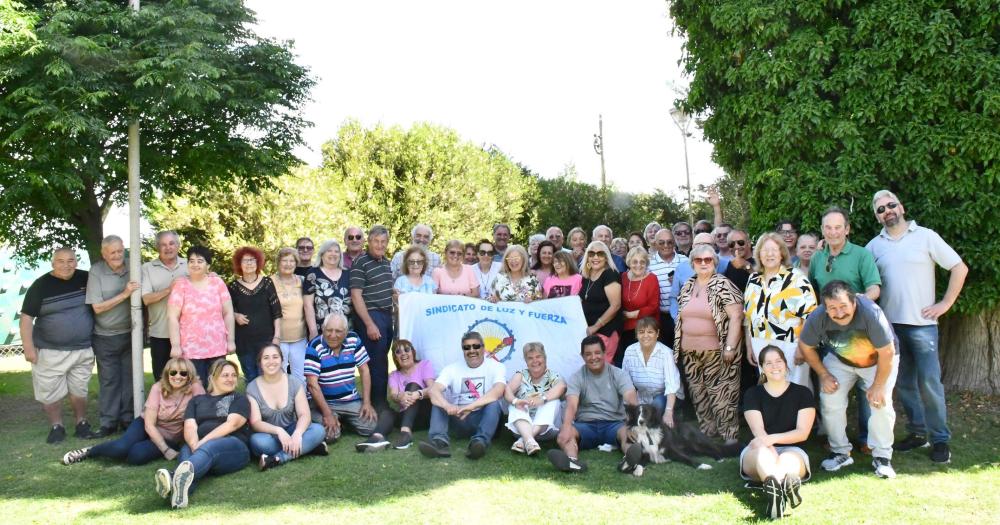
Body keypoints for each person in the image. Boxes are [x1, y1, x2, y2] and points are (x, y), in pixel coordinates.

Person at [866, 189, 967, 463]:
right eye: (881, 209)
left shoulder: (926, 236)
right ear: (877, 217)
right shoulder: (874, 246)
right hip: (891, 329)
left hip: (923, 325)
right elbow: (858, 271)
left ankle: (940, 440)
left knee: (930, 383)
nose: (888, 211)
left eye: (891, 205)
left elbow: (959, 267)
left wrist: (945, 303)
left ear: (902, 207)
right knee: (904, 384)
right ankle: (917, 432)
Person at [797, 281, 900, 479]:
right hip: (841, 359)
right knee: (830, 400)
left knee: (880, 403)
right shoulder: (817, 317)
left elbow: (887, 351)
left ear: (854, 302)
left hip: (879, 361)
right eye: (832, 308)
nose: (839, 313)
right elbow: (806, 346)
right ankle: (840, 452)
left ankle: (882, 457)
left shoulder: (871, 313)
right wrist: (824, 375)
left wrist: (878, 386)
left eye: (843, 306)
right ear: (825, 308)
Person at [809, 206, 881, 450]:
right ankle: (836, 441)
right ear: (822, 231)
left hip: (862, 333)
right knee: (832, 389)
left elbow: (875, 288)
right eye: (828, 227)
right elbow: (813, 292)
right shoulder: (818, 257)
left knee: (865, 389)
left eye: (838, 227)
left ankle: (866, 439)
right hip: (829, 335)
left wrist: (859, 302)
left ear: (847, 229)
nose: (833, 232)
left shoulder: (861, 255)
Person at [20, 247, 100, 443]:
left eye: (70, 260)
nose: (66, 265)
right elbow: (26, 318)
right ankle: (57, 427)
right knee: (49, 392)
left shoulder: (86, 278)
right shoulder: (41, 285)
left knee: (79, 390)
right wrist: (28, 348)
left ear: (76, 262)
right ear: (53, 263)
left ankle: (82, 423)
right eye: (61, 261)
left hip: (82, 349)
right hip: (49, 351)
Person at [62, 358, 205, 466]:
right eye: (173, 372)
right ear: (167, 374)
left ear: (189, 376)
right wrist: (166, 451)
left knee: (136, 456)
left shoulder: (195, 389)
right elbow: (149, 424)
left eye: (183, 373)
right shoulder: (158, 388)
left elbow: (205, 413)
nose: (177, 376)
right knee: (121, 447)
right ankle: (90, 451)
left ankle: (134, 447)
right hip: (146, 425)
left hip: (171, 437)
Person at [153, 360, 251, 509]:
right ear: (212, 378)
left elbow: (232, 424)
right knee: (186, 452)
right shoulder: (197, 401)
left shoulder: (239, 399)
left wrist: (202, 442)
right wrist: (194, 444)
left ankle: (173, 477)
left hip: (233, 447)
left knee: (210, 446)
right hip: (200, 447)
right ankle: (179, 495)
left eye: (233, 375)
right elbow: (190, 425)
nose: (230, 379)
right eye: (225, 375)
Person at [675, 243, 744, 445]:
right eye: (699, 260)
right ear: (692, 263)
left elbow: (736, 317)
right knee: (699, 393)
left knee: (722, 393)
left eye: (708, 260)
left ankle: (729, 436)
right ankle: (708, 430)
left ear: (714, 262)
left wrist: (730, 347)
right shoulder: (688, 285)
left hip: (718, 351)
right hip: (690, 351)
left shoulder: (724, 284)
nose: (703, 263)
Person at [741, 345, 816, 519]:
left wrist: (772, 439)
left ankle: (777, 495)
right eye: (768, 363)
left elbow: (802, 433)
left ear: (785, 364)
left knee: (788, 461)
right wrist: (771, 449)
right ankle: (782, 489)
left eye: (778, 361)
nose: (774, 366)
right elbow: (758, 431)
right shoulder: (753, 394)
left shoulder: (802, 393)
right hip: (759, 448)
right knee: (763, 456)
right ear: (762, 368)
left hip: (793, 449)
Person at [548, 336, 637, 473]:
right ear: (582, 356)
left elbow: (630, 397)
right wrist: (565, 426)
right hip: (585, 425)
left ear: (604, 353)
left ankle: (630, 461)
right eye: (588, 354)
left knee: (630, 434)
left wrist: (633, 423)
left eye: (597, 353)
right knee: (563, 435)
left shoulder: (618, 374)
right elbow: (572, 404)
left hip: (614, 424)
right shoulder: (577, 377)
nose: (593, 357)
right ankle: (572, 462)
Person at [744, 233, 817, 390]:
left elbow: (810, 316)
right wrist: (749, 345)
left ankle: (802, 415)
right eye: (765, 250)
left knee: (795, 389)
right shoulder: (753, 279)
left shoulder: (796, 278)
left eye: (774, 250)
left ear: (782, 253)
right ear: (758, 254)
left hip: (790, 345)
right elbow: (749, 316)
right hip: (760, 343)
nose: (769, 254)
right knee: (770, 388)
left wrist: (802, 347)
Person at [418, 332, 506, 459]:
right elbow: (433, 391)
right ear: (463, 350)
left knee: (494, 403)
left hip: (484, 418)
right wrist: (447, 405)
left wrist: (471, 406)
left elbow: (499, 391)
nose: (472, 350)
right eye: (467, 347)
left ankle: (479, 443)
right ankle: (439, 443)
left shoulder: (497, 366)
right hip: (460, 418)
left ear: (483, 348)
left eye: (476, 346)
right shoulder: (451, 369)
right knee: (438, 401)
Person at [86, 235, 139, 436]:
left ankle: (127, 419)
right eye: (112, 252)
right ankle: (108, 422)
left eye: (119, 250)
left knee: (130, 378)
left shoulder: (133, 266)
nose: (117, 255)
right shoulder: (97, 271)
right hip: (105, 335)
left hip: (131, 333)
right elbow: (97, 307)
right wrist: (125, 294)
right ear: (104, 254)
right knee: (109, 380)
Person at [248, 344, 327, 470]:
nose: (271, 362)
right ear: (260, 362)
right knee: (257, 442)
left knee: (318, 430)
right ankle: (307, 447)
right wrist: (279, 431)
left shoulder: (294, 382)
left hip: (292, 430)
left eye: (275, 357)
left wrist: (297, 433)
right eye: (266, 358)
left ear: (282, 360)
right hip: (269, 436)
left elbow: (304, 415)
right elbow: (256, 422)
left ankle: (277, 458)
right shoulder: (252, 387)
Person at [168, 246, 236, 385]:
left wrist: (230, 340)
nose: (195, 264)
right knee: (196, 389)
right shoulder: (181, 285)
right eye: (191, 261)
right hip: (191, 349)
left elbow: (228, 313)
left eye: (200, 261)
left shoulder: (217, 283)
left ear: (208, 265)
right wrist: (175, 345)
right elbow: (172, 317)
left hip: (216, 346)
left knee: (219, 385)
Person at [305, 313, 378, 440]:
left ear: (346, 331)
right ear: (323, 328)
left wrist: (367, 402)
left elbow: (364, 370)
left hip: (350, 400)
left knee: (371, 427)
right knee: (330, 436)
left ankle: (341, 420)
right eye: (329, 330)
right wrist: (327, 414)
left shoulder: (354, 339)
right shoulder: (314, 346)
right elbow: (312, 384)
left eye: (338, 331)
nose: (333, 335)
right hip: (324, 403)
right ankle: (334, 418)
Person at [360, 339, 436, 451]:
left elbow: (433, 389)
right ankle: (377, 437)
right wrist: (400, 396)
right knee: (387, 412)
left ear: (413, 352)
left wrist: (417, 394)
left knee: (413, 385)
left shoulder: (424, 365)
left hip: (425, 414)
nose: (403, 353)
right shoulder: (394, 375)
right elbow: (393, 395)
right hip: (406, 416)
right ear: (395, 357)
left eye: (406, 349)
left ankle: (406, 434)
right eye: (398, 352)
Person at [350, 225, 395, 408]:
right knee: (377, 364)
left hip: (386, 316)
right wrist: (369, 324)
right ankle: (378, 406)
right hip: (371, 316)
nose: (380, 245)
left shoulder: (386, 263)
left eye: (383, 242)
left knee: (382, 360)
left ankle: (380, 402)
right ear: (369, 242)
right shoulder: (360, 262)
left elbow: (381, 287)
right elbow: (356, 295)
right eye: (376, 241)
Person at [228, 246, 282, 384]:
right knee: (251, 377)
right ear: (239, 264)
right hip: (244, 342)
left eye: (252, 260)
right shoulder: (233, 287)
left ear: (258, 262)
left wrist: (276, 337)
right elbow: (225, 310)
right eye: (245, 261)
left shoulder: (267, 283)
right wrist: (235, 315)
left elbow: (277, 312)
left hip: (266, 340)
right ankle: (253, 405)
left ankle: (271, 405)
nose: (249, 263)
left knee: (268, 376)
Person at [141, 230, 188, 382]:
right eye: (163, 245)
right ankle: (162, 406)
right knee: (162, 379)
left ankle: (186, 407)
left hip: (188, 334)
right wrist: (170, 289)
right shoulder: (147, 268)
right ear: (157, 247)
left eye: (171, 243)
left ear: (178, 246)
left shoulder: (189, 265)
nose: (168, 248)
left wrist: (211, 276)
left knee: (188, 379)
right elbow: (146, 299)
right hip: (160, 333)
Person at [504, 342, 566, 456]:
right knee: (515, 404)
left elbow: (562, 387)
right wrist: (516, 401)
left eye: (538, 356)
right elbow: (506, 390)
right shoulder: (521, 375)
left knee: (554, 402)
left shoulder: (553, 376)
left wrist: (542, 399)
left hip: (546, 430)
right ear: (526, 361)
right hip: (521, 427)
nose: (535, 361)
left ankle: (524, 440)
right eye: (530, 358)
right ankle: (530, 440)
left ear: (545, 358)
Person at [621, 317, 680, 421]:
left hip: (665, 396)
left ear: (657, 334)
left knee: (653, 410)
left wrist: (668, 412)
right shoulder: (630, 351)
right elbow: (625, 382)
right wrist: (627, 407)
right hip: (641, 395)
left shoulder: (666, 353)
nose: (645, 336)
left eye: (650, 332)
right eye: (641, 332)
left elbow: (671, 386)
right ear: (636, 335)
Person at [272, 248, 314, 382]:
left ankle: (301, 402)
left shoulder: (302, 281)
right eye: (284, 260)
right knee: (279, 374)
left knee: (300, 375)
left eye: (291, 261)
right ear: (278, 262)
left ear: (296, 264)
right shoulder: (269, 282)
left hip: (299, 338)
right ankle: (282, 402)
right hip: (278, 338)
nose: (288, 264)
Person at [579, 241, 622, 364]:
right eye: (592, 254)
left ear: (606, 257)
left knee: (601, 368)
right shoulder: (586, 276)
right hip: (589, 332)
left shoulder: (610, 274)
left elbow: (615, 305)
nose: (595, 257)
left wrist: (596, 326)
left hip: (605, 331)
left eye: (600, 254)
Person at [303, 239, 352, 336]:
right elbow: (308, 305)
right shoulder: (313, 273)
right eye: (329, 251)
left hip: (346, 330)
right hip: (322, 330)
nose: (333, 254)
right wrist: (313, 331)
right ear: (322, 254)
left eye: (336, 251)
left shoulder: (348, 273)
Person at [649, 228, 688, 347]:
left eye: (669, 242)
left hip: (683, 315)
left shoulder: (685, 261)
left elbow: (697, 288)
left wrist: (680, 284)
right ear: (655, 244)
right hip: (660, 317)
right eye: (661, 242)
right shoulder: (648, 264)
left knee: (682, 352)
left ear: (674, 242)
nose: (666, 245)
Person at [620, 247, 660, 360]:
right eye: (635, 262)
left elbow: (653, 306)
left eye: (642, 262)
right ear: (629, 262)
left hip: (646, 329)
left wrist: (629, 315)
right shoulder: (622, 277)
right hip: (625, 329)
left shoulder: (652, 278)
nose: (638, 265)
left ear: (646, 263)